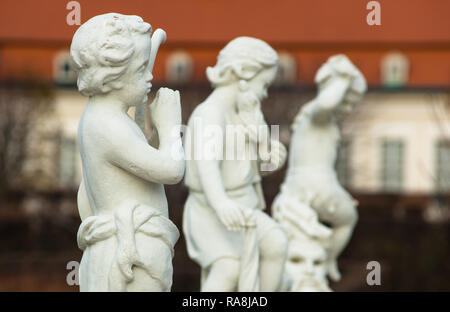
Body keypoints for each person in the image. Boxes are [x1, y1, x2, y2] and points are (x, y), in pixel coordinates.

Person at [70, 13, 185, 291]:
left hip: (131, 250)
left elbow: (142, 168)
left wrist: (155, 135)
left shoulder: (102, 119)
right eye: (141, 69)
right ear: (112, 76)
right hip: (132, 257)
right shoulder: (108, 125)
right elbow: (171, 170)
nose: (149, 77)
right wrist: (170, 126)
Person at [183, 37, 288, 291]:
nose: (265, 92)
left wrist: (269, 149)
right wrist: (220, 203)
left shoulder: (246, 113)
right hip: (209, 208)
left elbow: (261, 164)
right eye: (263, 84)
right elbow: (207, 165)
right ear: (243, 74)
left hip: (244, 206)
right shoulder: (210, 113)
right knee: (228, 269)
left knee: (276, 243)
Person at [272, 55, 367, 282]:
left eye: (353, 102)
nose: (349, 106)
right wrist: (343, 79)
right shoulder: (317, 115)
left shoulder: (321, 120)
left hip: (297, 187)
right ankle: (329, 259)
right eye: (347, 100)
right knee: (348, 218)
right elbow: (326, 103)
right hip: (318, 185)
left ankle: (318, 262)